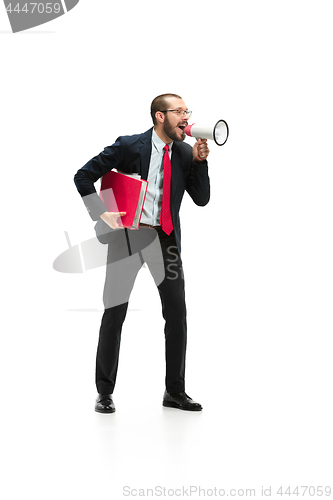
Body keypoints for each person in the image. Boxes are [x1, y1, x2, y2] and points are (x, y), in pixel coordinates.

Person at [74, 93, 210, 412]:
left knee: (176, 315)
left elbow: (201, 199)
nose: (186, 117)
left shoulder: (185, 153)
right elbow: (83, 176)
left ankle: (174, 391)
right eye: (179, 111)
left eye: (187, 111)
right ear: (160, 116)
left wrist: (200, 164)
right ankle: (104, 392)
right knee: (115, 312)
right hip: (127, 240)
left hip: (165, 242)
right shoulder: (128, 145)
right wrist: (101, 212)